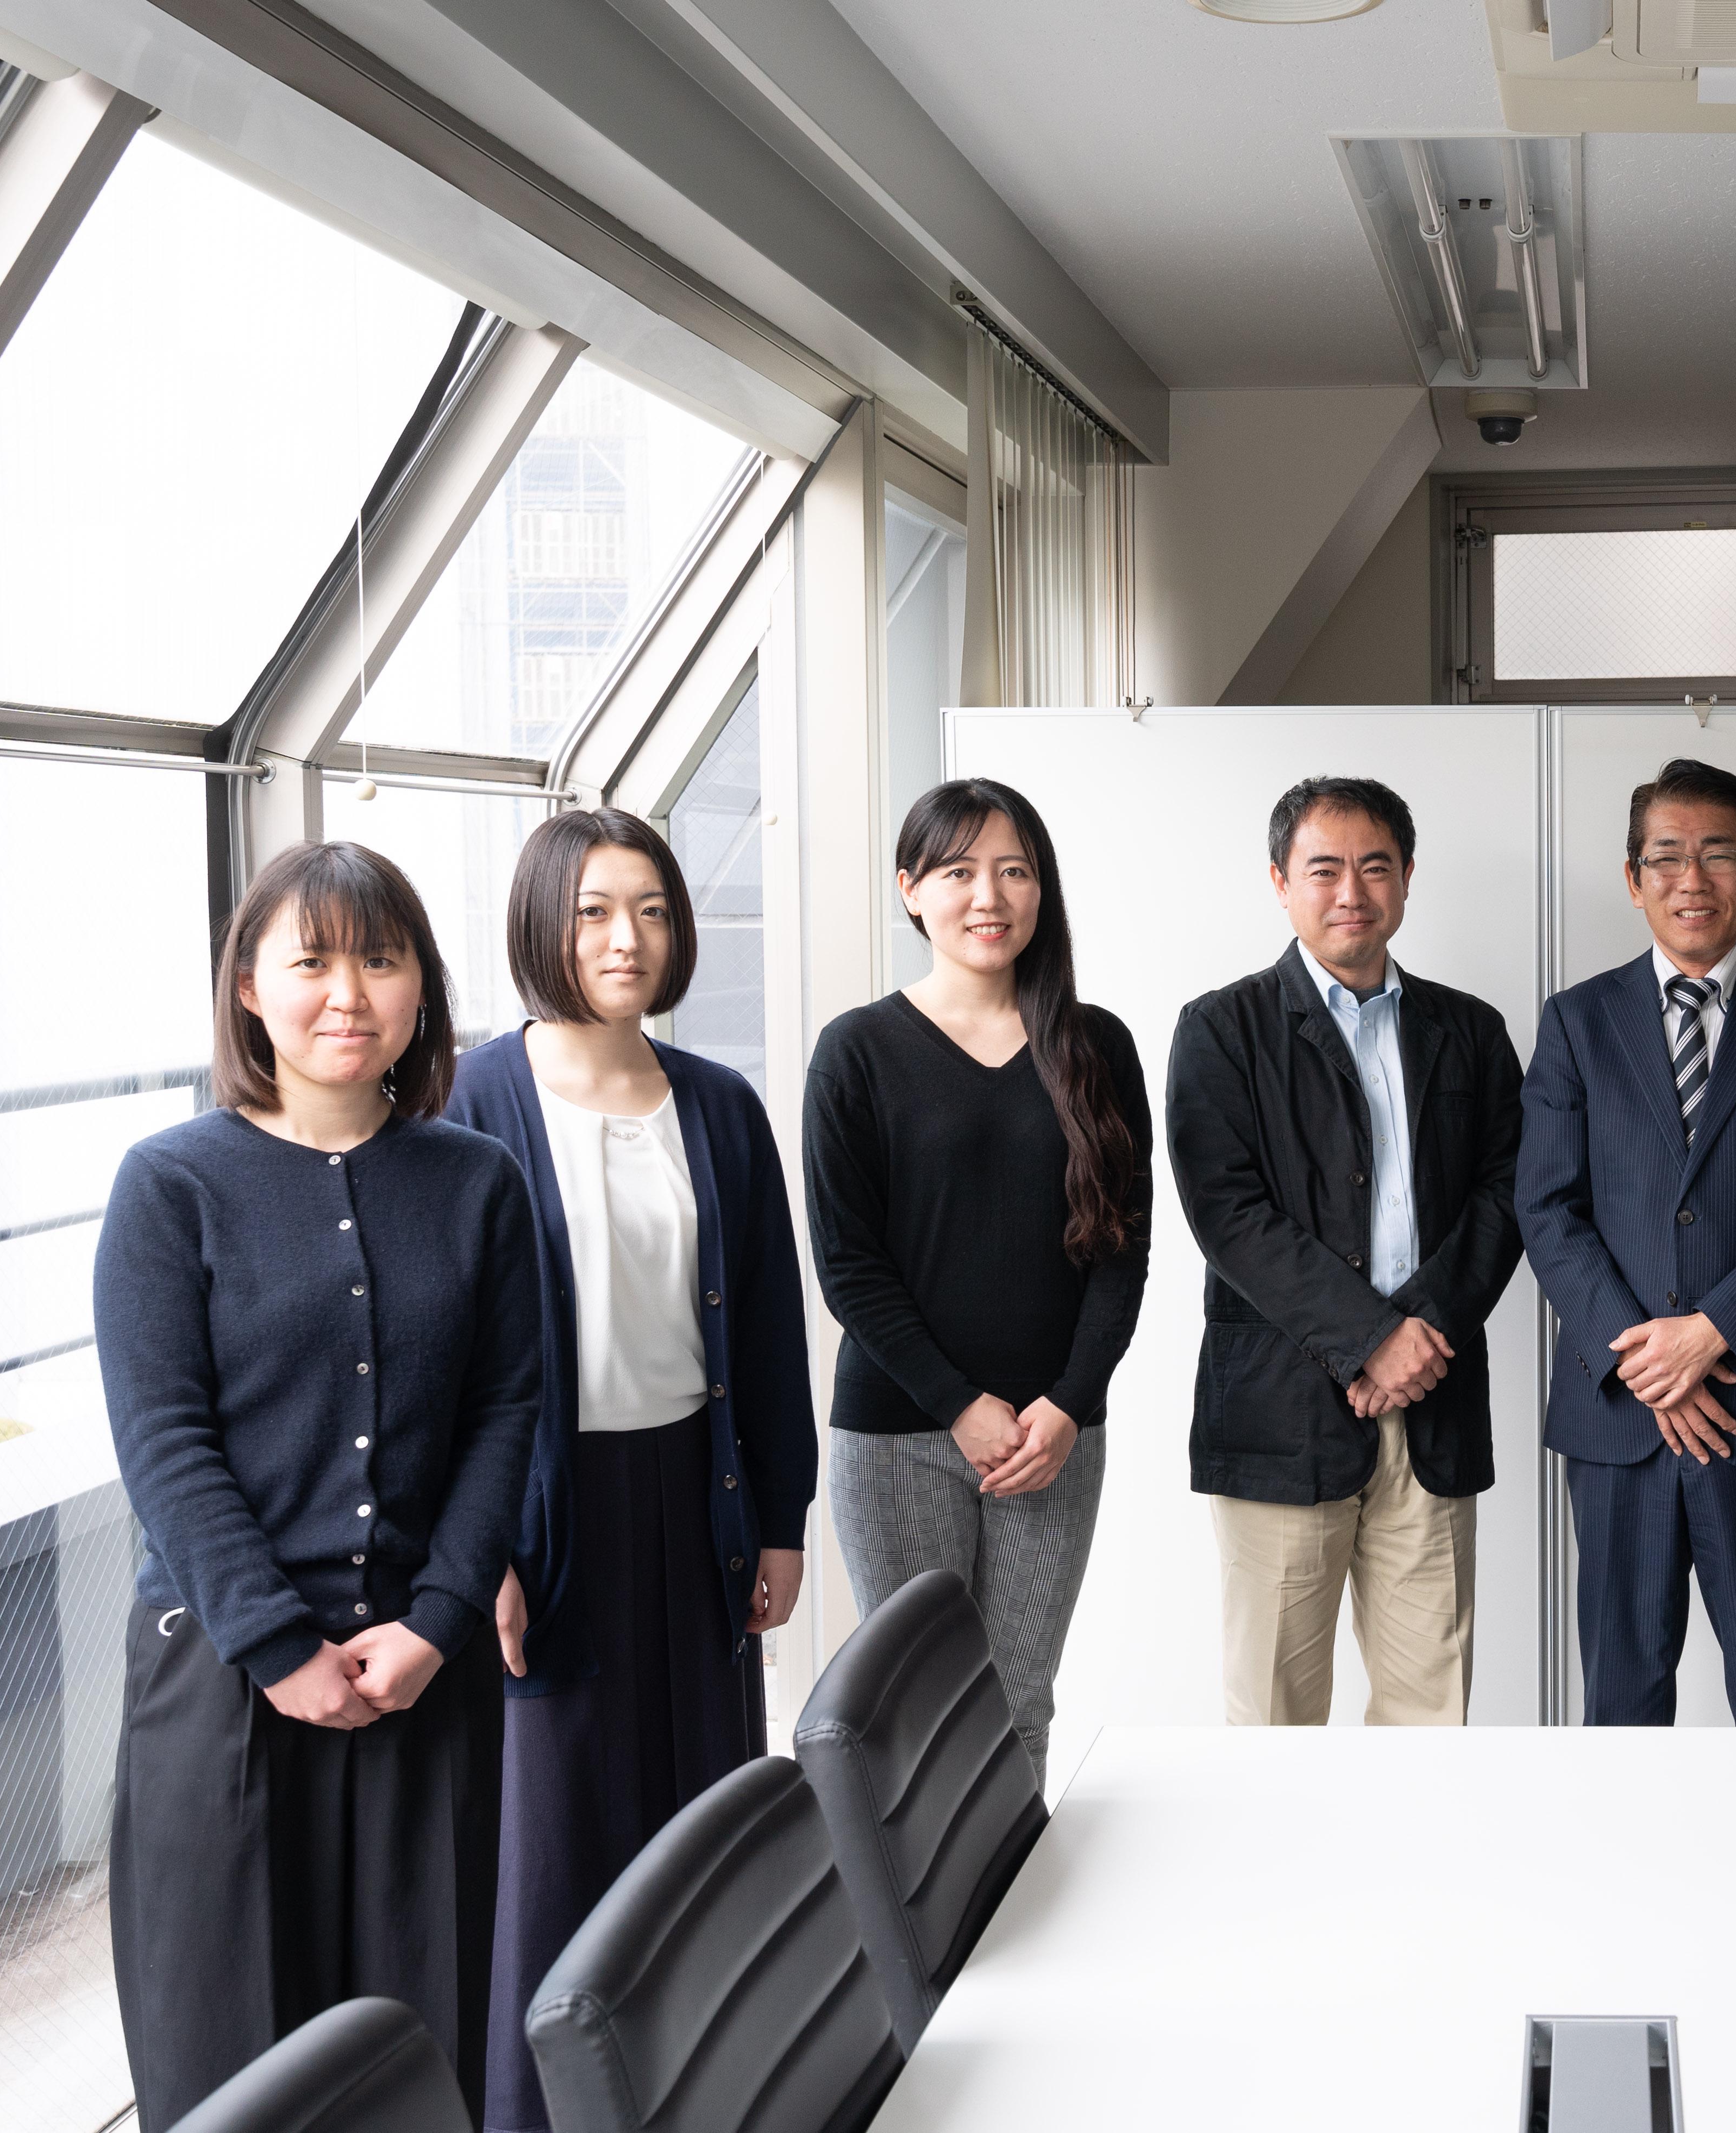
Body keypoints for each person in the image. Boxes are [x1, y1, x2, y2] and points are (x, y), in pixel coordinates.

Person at [96, 843, 539, 2130]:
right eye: (311, 961)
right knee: (225, 2057)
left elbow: (506, 1412)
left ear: (421, 989)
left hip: (422, 1679)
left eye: (381, 961)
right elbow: (163, 1440)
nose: (349, 993)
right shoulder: (169, 1184)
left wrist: (439, 1620)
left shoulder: (477, 1182)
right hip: (223, 1682)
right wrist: (280, 1645)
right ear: (248, 986)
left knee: (415, 2047)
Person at [444, 810, 813, 2133]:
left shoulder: (716, 1104)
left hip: (696, 1503)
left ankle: (708, 2098)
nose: (626, 939)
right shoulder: (475, 1101)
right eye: (595, 910)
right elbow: (445, 1359)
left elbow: (766, 1330)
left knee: (703, 1830)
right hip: (545, 1519)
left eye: (652, 910)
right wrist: (478, 1549)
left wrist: (782, 1516)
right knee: (553, 1849)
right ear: (542, 922)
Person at [1518, 758, 1736, 1726]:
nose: (1692, 879)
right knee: (1622, 1697)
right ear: (1631, 878)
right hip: (1618, 1415)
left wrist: (1713, 1332)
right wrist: (1649, 1362)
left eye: (1719, 855)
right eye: (1666, 857)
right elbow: (1547, 1207)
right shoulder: (1576, 1022)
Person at [804, 778, 1149, 1780]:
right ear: (911, 889)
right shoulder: (857, 1051)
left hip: (1051, 1435)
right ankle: (902, 1895)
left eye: (1013, 870)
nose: (988, 896)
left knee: (1018, 1701)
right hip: (900, 1435)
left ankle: (1010, 1888)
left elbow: (1121, 1252)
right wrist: (958, 1404)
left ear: (1042, 888)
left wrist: (1069, 1406)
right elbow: (848, 1266)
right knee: (912, 1712)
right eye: (958, 871)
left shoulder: (1096, 1047)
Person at [1164, 777, 1526, 1725]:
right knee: (1273, 1717)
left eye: (1375, 867)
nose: (1351, 892)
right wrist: (1370, 1339)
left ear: (1406, 877)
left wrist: (1419, 1335)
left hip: (1433, 1405)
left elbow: (1505, 1195)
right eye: (1324, 869)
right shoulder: (1221, 1030)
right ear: (1280, 882)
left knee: (1428, 1715)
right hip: (1280, 1417)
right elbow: (1228, 1214)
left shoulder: (1471, 1031)